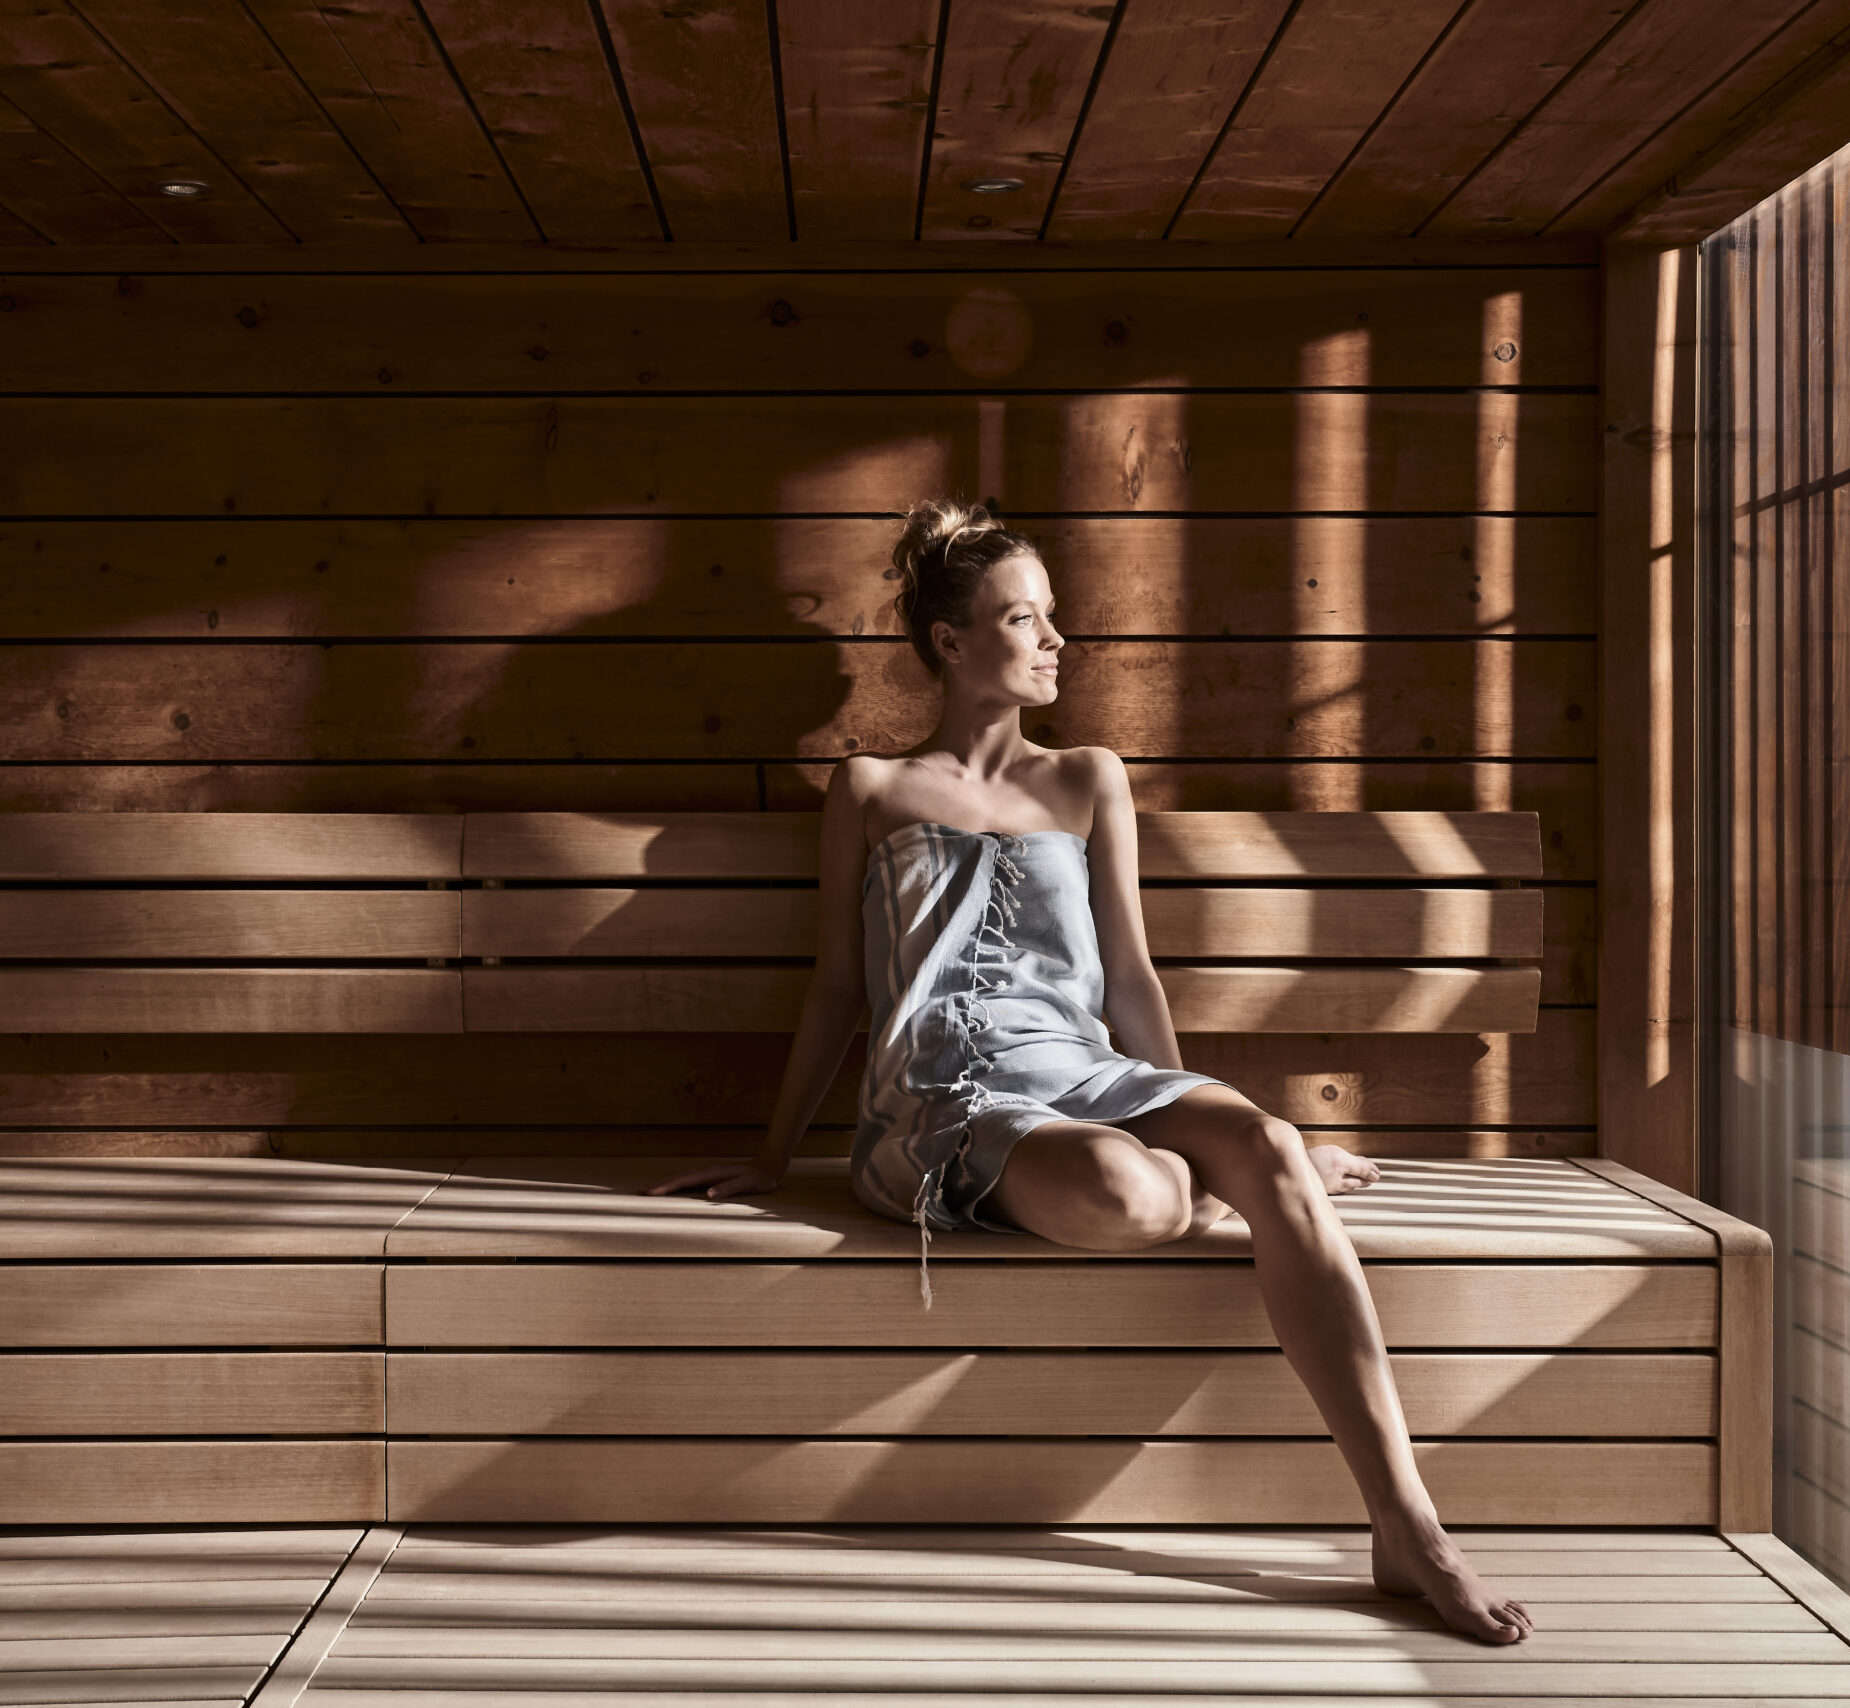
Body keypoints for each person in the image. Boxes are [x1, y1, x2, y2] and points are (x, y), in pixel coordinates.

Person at [646, 500, 1534, 1645]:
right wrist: (775, 1156)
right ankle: (1245, 1181)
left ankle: (1407, 1523)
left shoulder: (1086, 777)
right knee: (1132, 1192)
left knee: (1258, 1144)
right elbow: (837, 990)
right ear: (950, 643)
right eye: (1025, 618)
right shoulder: (869, 792)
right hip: (949, 1099)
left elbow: (1129, 979)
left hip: (1089, 1073)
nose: (1057, 640)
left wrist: (1201, 1113)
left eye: (1053, 616)